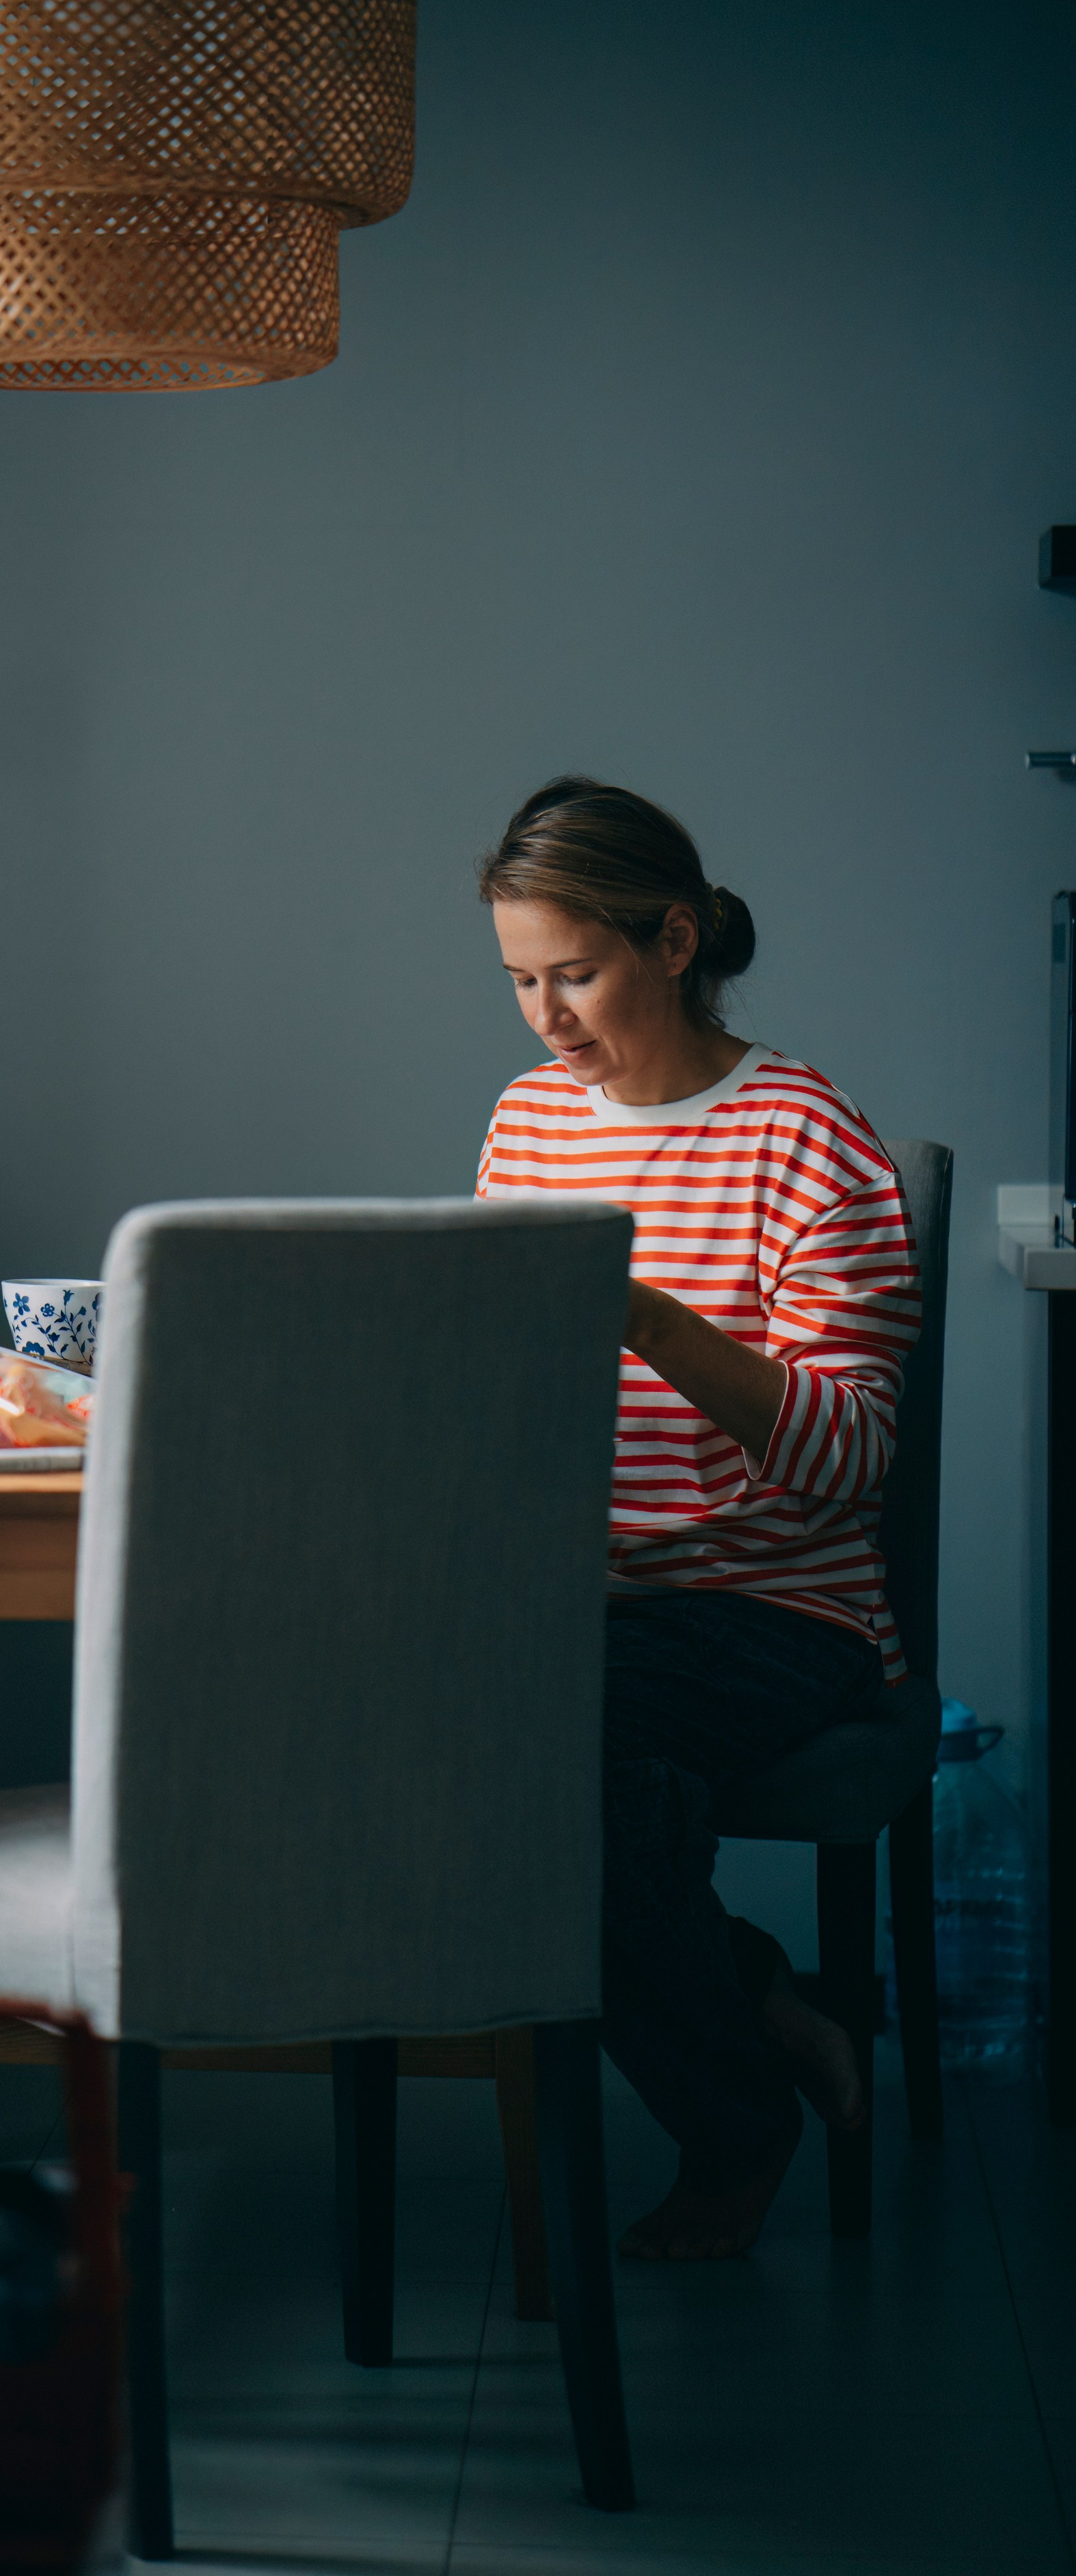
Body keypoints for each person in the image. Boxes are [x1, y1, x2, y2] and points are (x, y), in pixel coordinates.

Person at [475, 776, 921, 2260]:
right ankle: (762, 2003)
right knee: (450, 1728)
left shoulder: (807, 1137)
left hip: (777, 1604)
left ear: (673, 941)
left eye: (575, 973)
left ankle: (735, 2128)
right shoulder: (529, 1124)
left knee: (566, 1759)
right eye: (520, 981)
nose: (546, 1018)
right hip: (581, 1598)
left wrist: (651, 1317)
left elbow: (850, 1457)